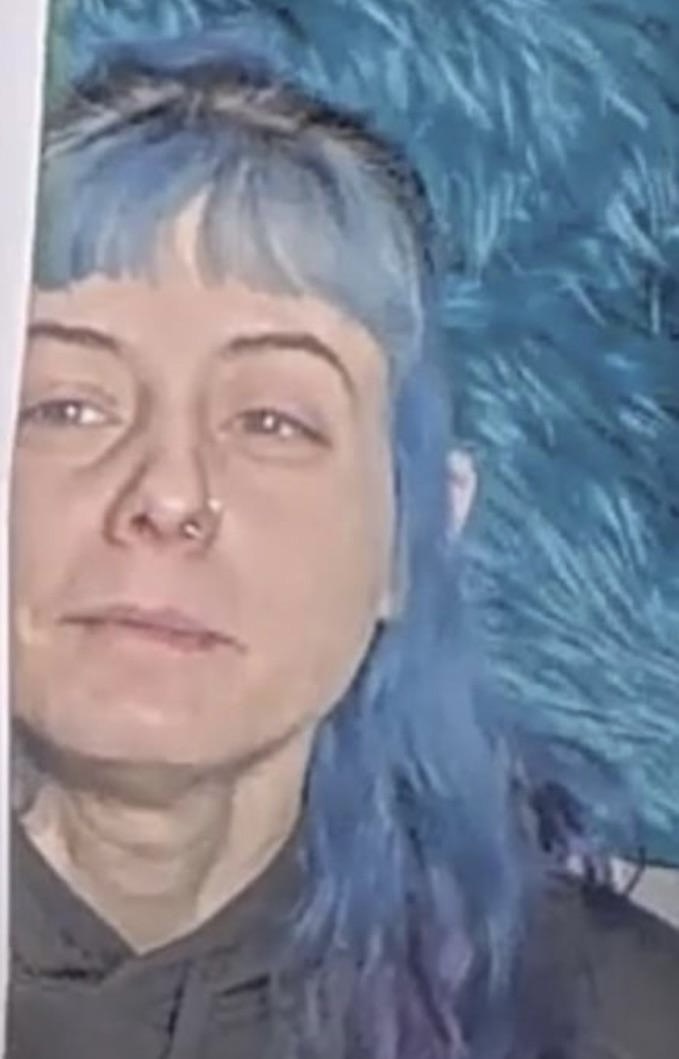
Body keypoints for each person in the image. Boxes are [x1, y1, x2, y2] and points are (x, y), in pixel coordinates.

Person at [7, 7, 679, 1059]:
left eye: (272, 420)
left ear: (416, 531)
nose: (168, 493)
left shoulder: (617, 1017)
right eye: (68, 405)